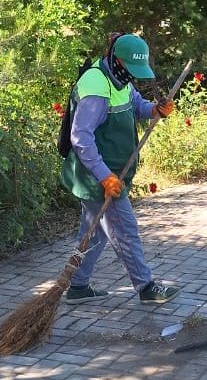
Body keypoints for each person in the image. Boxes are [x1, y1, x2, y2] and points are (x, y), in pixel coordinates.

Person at [61, 33, 180, 305]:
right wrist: (105, 177)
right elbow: (81, 138)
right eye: (131, 69)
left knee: (95, 231)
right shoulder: (96, 85)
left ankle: (78, 287)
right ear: (116, 60)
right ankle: (146, 287)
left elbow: (135, 104)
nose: (134, 76)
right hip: (96, 175)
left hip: (110, 173)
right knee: (124, 229)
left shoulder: (120, 78)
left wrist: (154, 110)